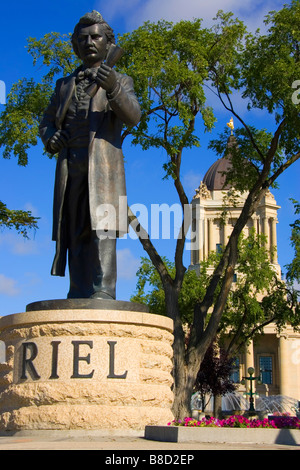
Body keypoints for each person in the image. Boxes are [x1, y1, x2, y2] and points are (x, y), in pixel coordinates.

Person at [39, 11, 141, 300]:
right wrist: (51, 138)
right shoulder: (63, 86)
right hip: (71, 169)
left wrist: (113, 88)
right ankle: (79, 289)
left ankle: (103, 289)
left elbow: (133, 115)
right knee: (75, 230)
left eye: (96, 36)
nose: (89, 42)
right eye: (82, 38)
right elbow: (46, 122)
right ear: (75, 45)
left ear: (108, 43)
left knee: (103, 230)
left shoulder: (121, 80)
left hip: (103, 168)